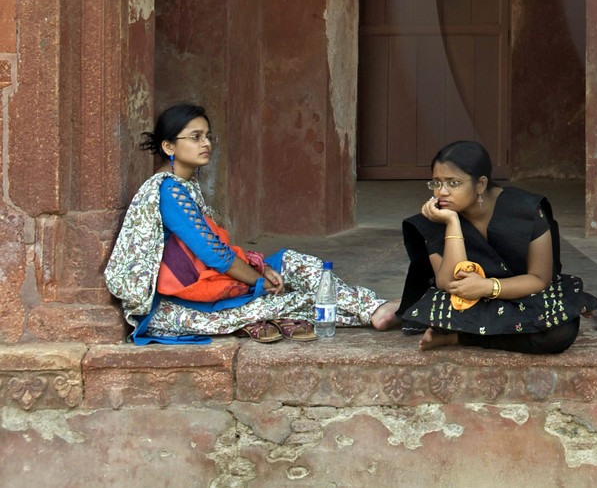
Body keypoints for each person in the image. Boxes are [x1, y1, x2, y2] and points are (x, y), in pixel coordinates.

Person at [105, 103, 399, 344]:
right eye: (195, 137)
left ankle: (374, 308)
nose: (206, 143)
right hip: (175, 307)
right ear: (169, 147)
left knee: (294, 264)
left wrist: (264, 269)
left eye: (208, 136)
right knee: (298, 300)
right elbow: (214, 255)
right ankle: (375, 311)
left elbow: (216, 249)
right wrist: (260, 281)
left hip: (207, 287)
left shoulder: (184, 186)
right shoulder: (168, 190)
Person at [399, 140, 580, 353]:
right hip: (467, 301)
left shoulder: (526, 210)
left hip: (522, 295)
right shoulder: (436, 218)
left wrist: (489, 287)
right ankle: (462, 332)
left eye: (453, 183)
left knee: (559, 333)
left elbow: (540, 279)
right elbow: (449, 283)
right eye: (436, 183)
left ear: (480, 184)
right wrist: (452, 224)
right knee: (439, 314)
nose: (441, 192)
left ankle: (460, 338)